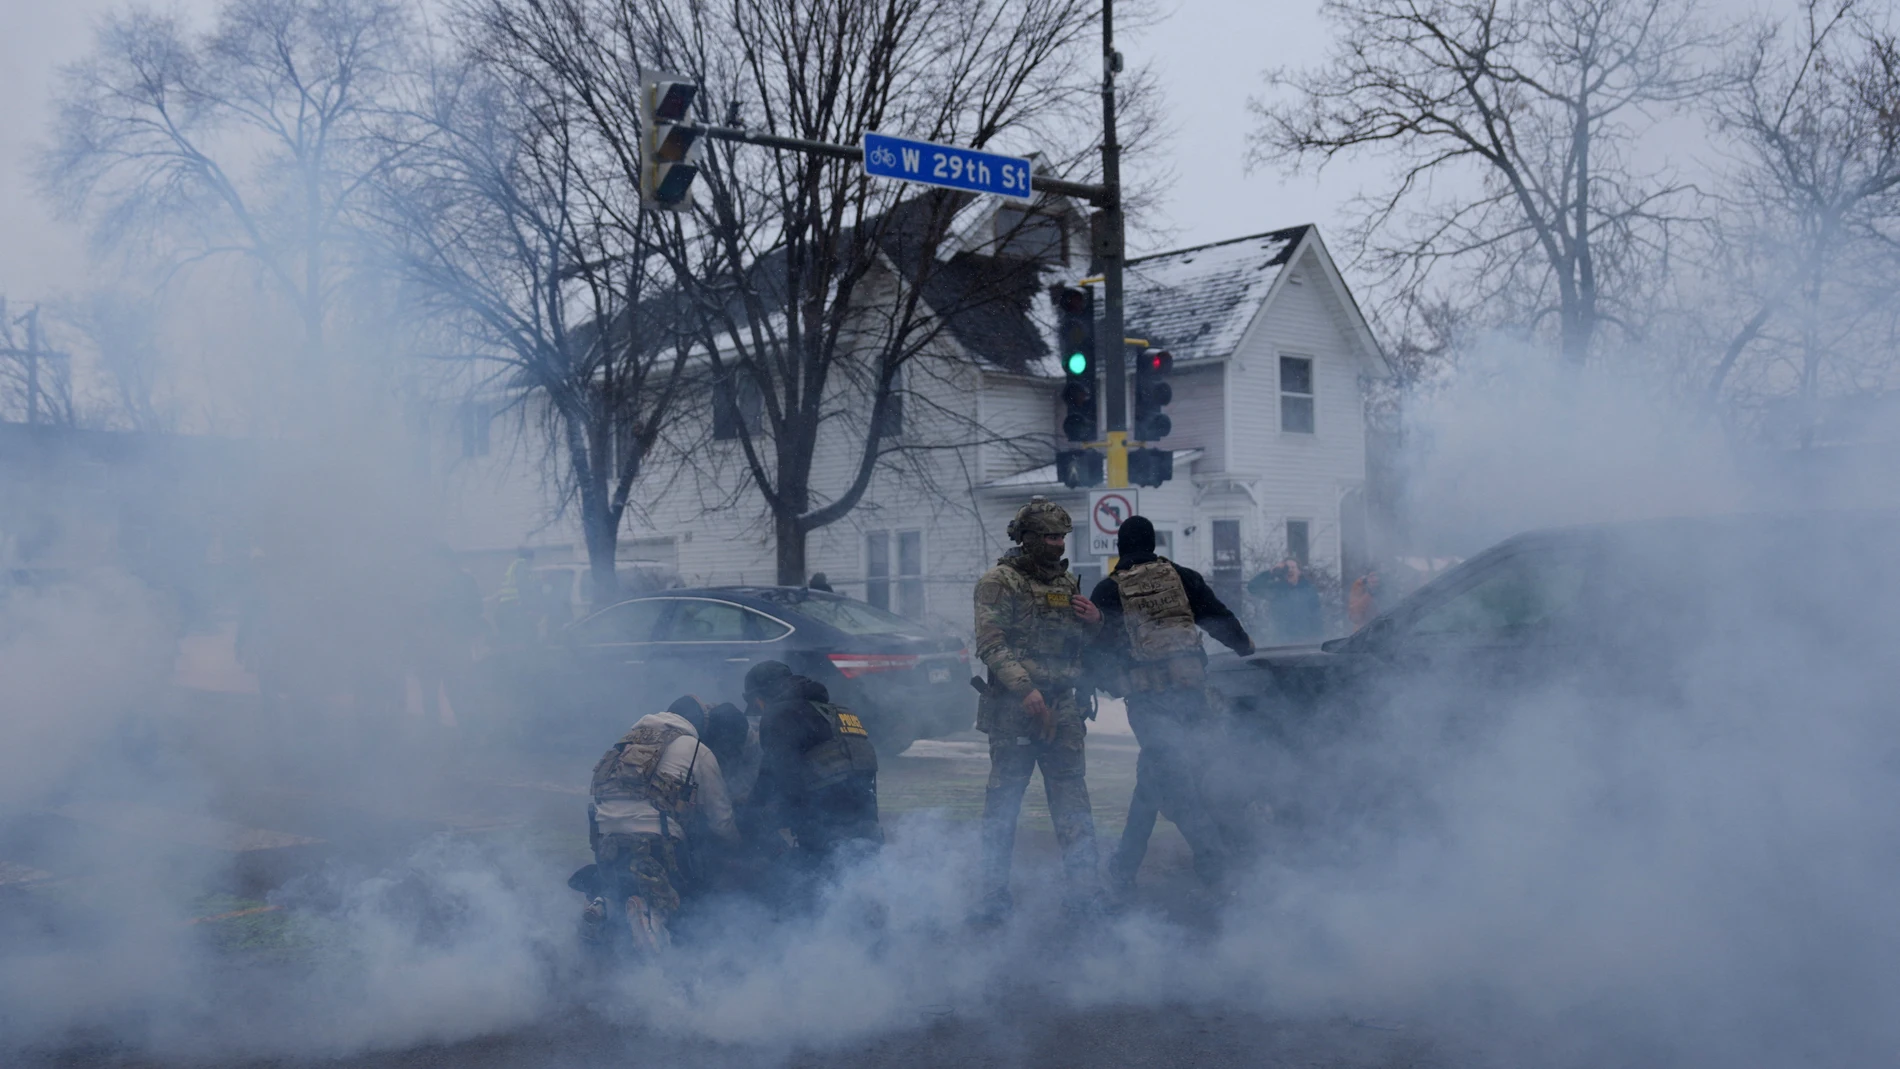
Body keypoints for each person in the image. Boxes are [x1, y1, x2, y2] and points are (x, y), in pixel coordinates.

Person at [1087, 516, 1255, 897]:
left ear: (1120, 548)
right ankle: (1123, 867)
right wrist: (1245, 646)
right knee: (1154, 779)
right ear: (1154, 543)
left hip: (1149, 705)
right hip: (1192, 696)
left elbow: (1093, 653)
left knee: (1175, 784)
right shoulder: (1182, 577)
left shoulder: (1109, 590)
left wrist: (1114, 684)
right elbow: (1218, 618)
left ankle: (1215, 865)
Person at [971, 497, 1105, 923]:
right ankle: (992, 899)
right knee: (1003, 805)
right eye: (1050, 536)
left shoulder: (1066, 585)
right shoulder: (999, 581)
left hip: (1064, 707)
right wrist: (1026, 690)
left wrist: (1095, 623)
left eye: (1062, 536)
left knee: (1073, 805)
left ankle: (1085, 897)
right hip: (1016, 710)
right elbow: (991, 644)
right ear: (1027, 538)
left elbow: (1076, 648)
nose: (1058, 544)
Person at [582, 695, 739, 953]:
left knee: (619, 877)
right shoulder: (696, 749)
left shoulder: (624, 743)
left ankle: (604, 903)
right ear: (698, 724)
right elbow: (721, 819)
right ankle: (653, 920)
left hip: (606, 842)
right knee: (689, 891)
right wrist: (735, 846)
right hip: (660, 846)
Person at [744, 660, 882, 870]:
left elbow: (777, 776)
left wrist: (750, 817)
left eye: (756, 705)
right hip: (866, 822)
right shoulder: (838, 712)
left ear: (760, 697)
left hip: (825, 830)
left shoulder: (779, 714)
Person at [1250, 558, 1323, 643]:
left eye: (1293, 567)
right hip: (1281, 641)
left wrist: (1318, 638)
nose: (1290, 570)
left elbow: (1317, 615)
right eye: (1287, 568)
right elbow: (1253, 587)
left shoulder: (1308, 590)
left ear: (1299, 571)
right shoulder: (1276, 590)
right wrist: (1270, 573)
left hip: (1305, 640)